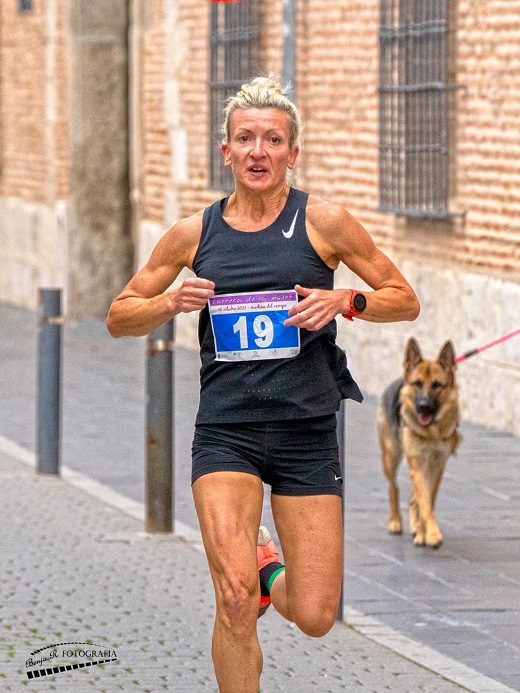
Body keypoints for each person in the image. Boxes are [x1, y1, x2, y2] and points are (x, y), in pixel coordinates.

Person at [106, 74, 420, 693]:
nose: (258, 152)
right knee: (232, 599)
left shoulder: (324, 222)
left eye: (272, 140)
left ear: (292, 153)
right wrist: (170, 302)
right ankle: (250, 583)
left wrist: (345, 300)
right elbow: (119, 314)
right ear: (225, 151)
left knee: (315, 615)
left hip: (305, 430)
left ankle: (267, 565)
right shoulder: (193, 235)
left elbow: (403, 299)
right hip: (227, 431)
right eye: (245, 139)